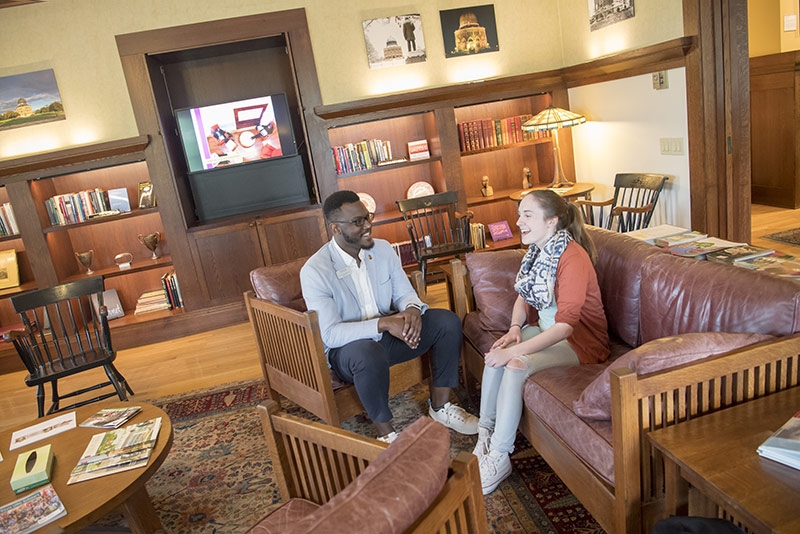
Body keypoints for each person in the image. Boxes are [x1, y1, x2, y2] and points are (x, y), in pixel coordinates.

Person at [300, 190, 478, 443]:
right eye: (357, 221)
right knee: (367, 353)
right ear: (335, 229)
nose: (367, 225)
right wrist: (384, 324)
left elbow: (405, 293)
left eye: (367, 217)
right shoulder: (315, 271)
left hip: (391, 336)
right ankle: (387, 435)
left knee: (446, 322)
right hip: (348, 353)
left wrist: (412, 310)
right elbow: (330, 333)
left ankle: (440, 407)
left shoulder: (382, 250)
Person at [474, 189, 609, 494]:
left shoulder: (572, 257)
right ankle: (485, 434)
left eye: (527, 215)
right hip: (545, 329)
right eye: (519, 213)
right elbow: (523, 296)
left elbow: (564, 329)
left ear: (552, 221)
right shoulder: (538, 251)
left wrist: (515, 352)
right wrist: (512, 330)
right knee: (498, 351)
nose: (519, 221)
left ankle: (499, 455)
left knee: (515, 363)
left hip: (580, 342)